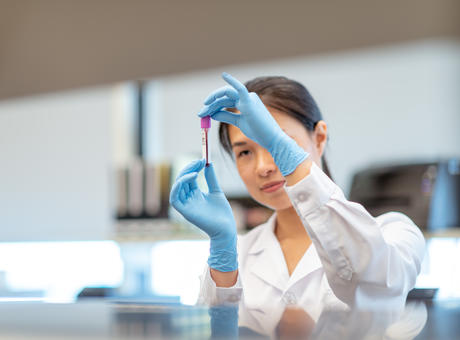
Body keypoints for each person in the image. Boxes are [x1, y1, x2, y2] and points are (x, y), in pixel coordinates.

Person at [169, 72, 425, 334]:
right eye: (245, 152)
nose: (263, 167)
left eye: (277, 141)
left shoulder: (395, 232)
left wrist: (292, 162)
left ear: (319, 138)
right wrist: (223, 249)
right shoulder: (237, 255)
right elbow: (215, 333)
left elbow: (371, 284)